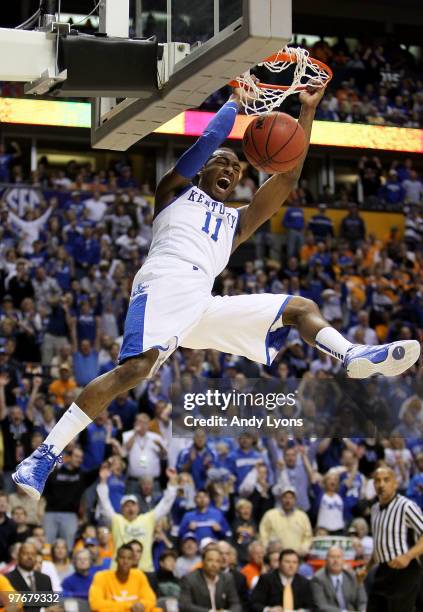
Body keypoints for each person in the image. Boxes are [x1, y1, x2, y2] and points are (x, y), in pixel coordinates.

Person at [13, 85, 420, 500]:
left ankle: (352, 355)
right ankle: (44, 455)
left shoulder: (236, 223)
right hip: (165, 280)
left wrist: (307, 113)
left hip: (202, 300)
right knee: (137, 368)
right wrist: (236, 102)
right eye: (224, 163)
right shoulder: (173, 191)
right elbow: (209, 140)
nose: (231, 169)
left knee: (299, 308)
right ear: (205, 170)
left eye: (238, 169)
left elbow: (289, 176)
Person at [361, 466, 423, 612]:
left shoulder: (406, 506)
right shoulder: (375, 509)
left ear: (395, 483)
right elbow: (380, 545)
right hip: (383, 570)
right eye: (377, 481)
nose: (381, 484)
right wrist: (367, 568)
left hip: (405, 571)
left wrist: (408, 556)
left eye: (386, 480)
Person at [96, 465, 177, 572]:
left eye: (133, 505)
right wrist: (102, 481)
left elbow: (165, 504)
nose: (130, 508)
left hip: (145, 569)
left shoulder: (147, 519)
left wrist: (172, 482)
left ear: (138, 507)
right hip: (119, 570)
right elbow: (104, 503)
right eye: (127, 505)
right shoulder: (117, 520)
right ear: (122, 509)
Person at [88, 544, 157, 612]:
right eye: (122, 557)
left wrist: (142, 605)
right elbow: (95, 604)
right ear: (116, 559)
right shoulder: (101, 577)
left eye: (129, 558)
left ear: (133, 561)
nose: (125, 562)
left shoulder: (139, 575)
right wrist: (129, 606)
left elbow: (151, 599)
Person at [179, 546, 241, 612]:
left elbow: (236, 604)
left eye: (217, 561)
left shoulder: (227, 578)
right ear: (203, 562)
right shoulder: (189, 579)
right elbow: (185, 606)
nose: (214, 565)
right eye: (210, 560)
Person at [259, 486, 312, 555]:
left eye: (291, 498)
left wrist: (304, 548)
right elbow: (263, 534)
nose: (288, 500)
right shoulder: (270, 515)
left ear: (295, 499)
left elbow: (308, 536)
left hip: (297, 556)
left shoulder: (302, 516)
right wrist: (268, 547)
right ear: (281, 499)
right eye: (285, 497)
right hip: (276, 556)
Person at [311, 546, 367, 611]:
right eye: (332, 557)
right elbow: (322, 606)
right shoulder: (318, 579)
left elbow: (362, 601)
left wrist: (363, 610)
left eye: (338, 557)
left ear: (343, 560)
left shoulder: (353, 577)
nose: (335, 560)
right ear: (326, 560)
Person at [6, 543, 53, 612]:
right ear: (18, 556)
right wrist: (42, 611)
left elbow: (50, 606)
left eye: (33, 554)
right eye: (25, 553)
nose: (30, 557)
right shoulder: (7, 579)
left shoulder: (45, 579)